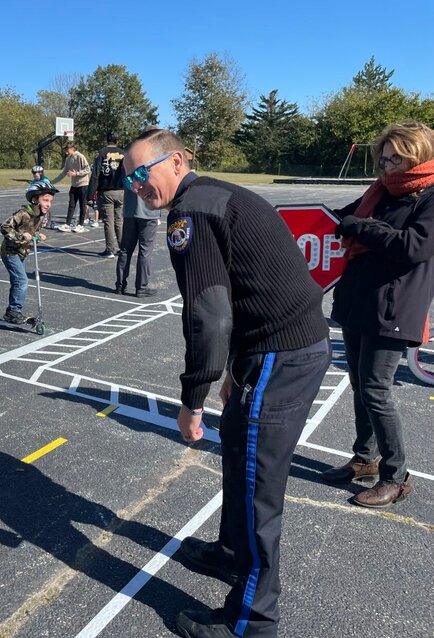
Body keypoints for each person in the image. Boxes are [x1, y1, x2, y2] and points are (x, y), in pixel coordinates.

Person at [123, 128, 330, 638]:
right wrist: (234, 372)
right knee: (238, 453)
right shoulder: (212, 194)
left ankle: (251, 624)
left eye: (140, 172)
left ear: (177, 162)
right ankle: (230, 554)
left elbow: (208, 317)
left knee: (259, 488)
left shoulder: (191, 213)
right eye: (127, 176)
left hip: (282, 354)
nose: (134, 185)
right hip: (271, 347)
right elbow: (245, 289)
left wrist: (191, 399)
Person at [321, 120, 434, 508]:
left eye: (395, 160)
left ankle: (396, 476)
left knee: (376, 390)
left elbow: (414, 247)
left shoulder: (429, 195)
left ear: (416, 156)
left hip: (395, 308)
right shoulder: (379, 192)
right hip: (358, 301)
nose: (387, 168)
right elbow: (339, 217)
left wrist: (362, 228)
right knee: (359, 384)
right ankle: (364, 459)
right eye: (383, 159)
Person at [0, 180, 55, 323]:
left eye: (51, 201)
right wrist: (20, 236)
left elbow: (33, 232)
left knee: (17, 281)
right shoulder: (23, 213)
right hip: (10, 252)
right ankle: (14, 311)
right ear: (35, 200)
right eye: (45, 200)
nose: (48, 204)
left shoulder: (43, 217)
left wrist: (37, 236)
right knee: (22, 280)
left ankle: (11, 311)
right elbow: (5, 227)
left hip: (22, 253)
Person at [115, 189, 161, 296]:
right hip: (149, 212)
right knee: (145, 251)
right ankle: (141, 287)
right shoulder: (155, 171)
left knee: (125, 250)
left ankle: (120, 285)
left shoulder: (127, 170)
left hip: (130, 211)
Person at [87, 133, 125, 256]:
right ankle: (122, 247)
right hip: (121, 190)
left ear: (107, 140)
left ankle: (110, 249)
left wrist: (90, 195)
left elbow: (95, 174)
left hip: (107, 190)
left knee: (108, 221)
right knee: (119, 220)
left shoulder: (102, 152)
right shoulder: (123, 153)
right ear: (116, 140)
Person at [50, 141, 91, 233]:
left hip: (83, 185)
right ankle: (67, 224)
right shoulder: (68, 159)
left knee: (82, 206)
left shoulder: (80, 156)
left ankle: (81, 225)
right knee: (71, 205)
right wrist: (52, 182)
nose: (66, 152)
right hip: (74, 185)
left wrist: (76, 173)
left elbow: (88, 169)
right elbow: (64, 172)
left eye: (67, 150)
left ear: (72, 148)